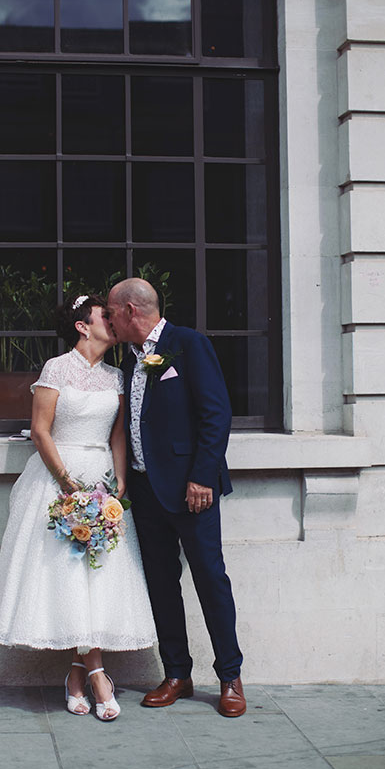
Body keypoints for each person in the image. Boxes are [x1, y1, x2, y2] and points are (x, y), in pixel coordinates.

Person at [0, 294, 156, 720]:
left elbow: (118, 435)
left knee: (96, 579)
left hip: (100, 478)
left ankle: (77, 675)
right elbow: (41, 432)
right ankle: (98, 674)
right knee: (66, 575)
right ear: (83, 326)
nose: (112, 322)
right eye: (104, 316)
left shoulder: (117, 374)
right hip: (59, 479)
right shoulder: (56, 368)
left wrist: (118, 481)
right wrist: (66, 484)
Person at [106, 278, 245, 717]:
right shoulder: (129, 360)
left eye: (111, 312)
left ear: (131, 311)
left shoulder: (188, 344)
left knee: (210, 580)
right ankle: (177, 674)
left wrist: (202, 476)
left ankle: (230, 677)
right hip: (146, 493)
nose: (107, 321)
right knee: (162, 586)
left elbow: (215, 413)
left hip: (191, 491)